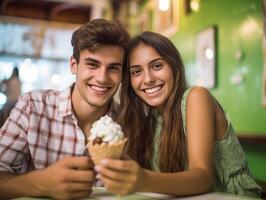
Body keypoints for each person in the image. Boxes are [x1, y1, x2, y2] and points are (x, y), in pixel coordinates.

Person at [94, 31, 262, 197]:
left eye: (157, 66)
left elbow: (203, 178)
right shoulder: (147, 119)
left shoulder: (196, 97)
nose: (148, 79)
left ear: (174, 66)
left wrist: (143, 179)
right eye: (136, 71)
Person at [0, 19, 129, 199]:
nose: (102, 78)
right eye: (92, 64)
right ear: (74, 65)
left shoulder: (129, 122)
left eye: (113, 68)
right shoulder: (32, 106)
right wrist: (39, 184)